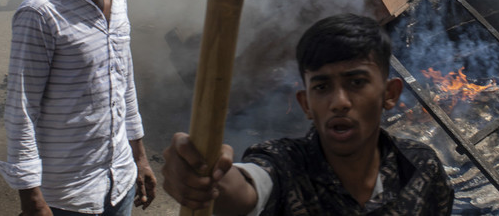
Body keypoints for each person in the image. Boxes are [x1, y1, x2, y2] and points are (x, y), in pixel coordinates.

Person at [162, 13, 452, 215]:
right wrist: (207, 178)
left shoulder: (421, 168)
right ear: (306, 104)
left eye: (357, 83)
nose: (339, 102)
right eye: (323, 86)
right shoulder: (286, 165)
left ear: (389, 94)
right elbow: (247, 187)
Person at [0, 0, 156, 216]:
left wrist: (138, 156)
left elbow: (123, 82)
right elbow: (21, 111)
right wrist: (31, 197)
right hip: (69, 197)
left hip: (121, 183)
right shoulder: (40, 13)